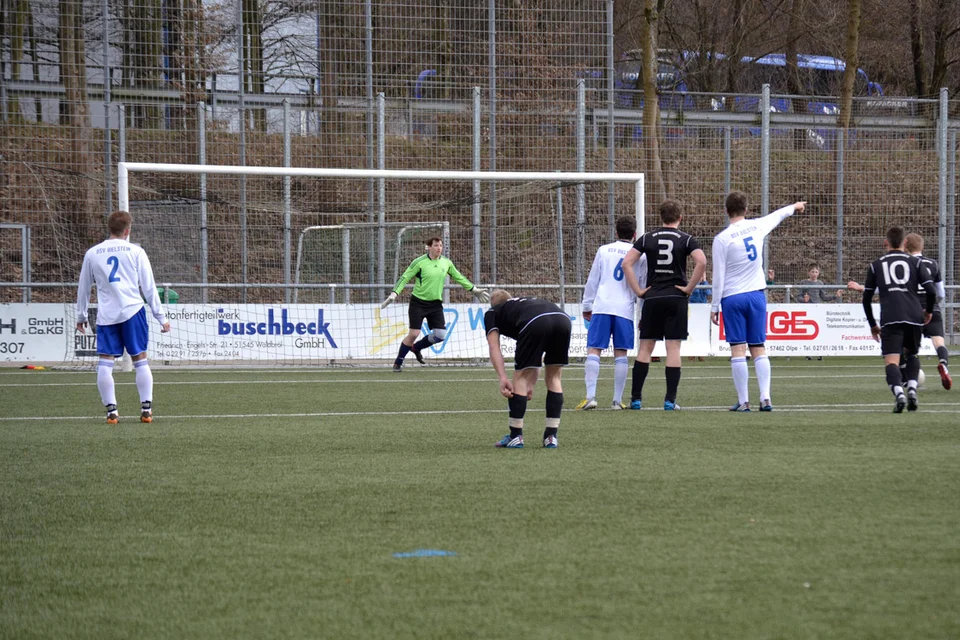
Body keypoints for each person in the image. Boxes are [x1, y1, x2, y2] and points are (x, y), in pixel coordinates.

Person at [711, 191, 807, 412]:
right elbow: (778, 215)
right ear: (746, 210)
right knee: (758, 347)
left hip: (732, 297)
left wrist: (715, 306)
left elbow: (718, 276)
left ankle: (744, 401)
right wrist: (796, 205)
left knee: (737, 349)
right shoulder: (757, 226)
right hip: (756, 296)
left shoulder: (722, 239)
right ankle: (765, 398)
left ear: (726, 211)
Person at [75, 210, 171, 424]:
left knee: (105, 363)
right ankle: (146, 410)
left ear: (109, 228)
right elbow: (149, 287)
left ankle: (112, 413)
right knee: (140, 360)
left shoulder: (93, 253)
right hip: (133, 311)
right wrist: (161, 317)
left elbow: (83, 288)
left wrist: (81, 315)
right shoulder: (136, 252)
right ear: (128, 230)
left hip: (107, 315)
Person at [622, 199, 707, 410]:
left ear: (661, 217)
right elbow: (702, 261)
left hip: (652, 297)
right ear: (680, 217)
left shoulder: (647, 238)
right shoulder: (686, 239)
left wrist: (639, 291)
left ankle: (636, 399)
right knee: (673, 348)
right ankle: (670, 400)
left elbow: (626, 263)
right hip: (676, 297)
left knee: (645, 349)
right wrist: (688, 288)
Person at [852, 233, 952, 390]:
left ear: (906, 245)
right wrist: (931, 307)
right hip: (931, 309)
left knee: (904, 350)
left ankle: (906, 381)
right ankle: (943, 364)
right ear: (922, 246)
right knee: (939, 342)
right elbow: (940, 293)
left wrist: (863, 288)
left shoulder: (906, 263)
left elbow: (890, 288)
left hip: (909, 310)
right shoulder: (932, 264)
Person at [381, 237, 489, 371]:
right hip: (418, 303)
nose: (439, 248)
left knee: (440, 335)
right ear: (429, 247)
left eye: (441, 245)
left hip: (435, 305)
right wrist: (394, 293)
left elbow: (459, 277)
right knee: (414, 333)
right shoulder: (419, 262)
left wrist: (474, 290)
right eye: (436, 245)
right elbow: (405, 277)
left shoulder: (446, 263)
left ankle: (416, 348)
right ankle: (398, 363)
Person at [860, 226, 937, 412]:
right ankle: (912, 389)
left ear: (886, 243)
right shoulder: (916, 263)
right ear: (905, 243)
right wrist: (928, 311)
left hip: (890, 316)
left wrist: (872, 324)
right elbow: (931, 290)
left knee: (892, 361)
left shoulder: (876, 265)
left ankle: (899, 393)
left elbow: (866, 299)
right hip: (914, 314)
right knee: (912, 355)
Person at [576, 216, 647, 411]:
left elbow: (593, 279)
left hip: (602, 305)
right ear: (634, 234)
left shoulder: (604, 250)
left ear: (616, 232)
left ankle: (590, 397)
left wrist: (587, 305)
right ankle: (617, 400)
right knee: (621, 353)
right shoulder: (640, 255)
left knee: (594, 349)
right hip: (624, 308)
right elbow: (641, 284)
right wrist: (642, 314)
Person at [485, 290, 572, 448]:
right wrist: (531, 384)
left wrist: (503, 378)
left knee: (520, 378)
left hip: (535, 322)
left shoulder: (493, 312)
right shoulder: (524, 304)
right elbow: (536, 355)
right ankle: (551, 436)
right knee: (554, 378)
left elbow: (494, 347)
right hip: (562, 319)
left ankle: (516, 436)